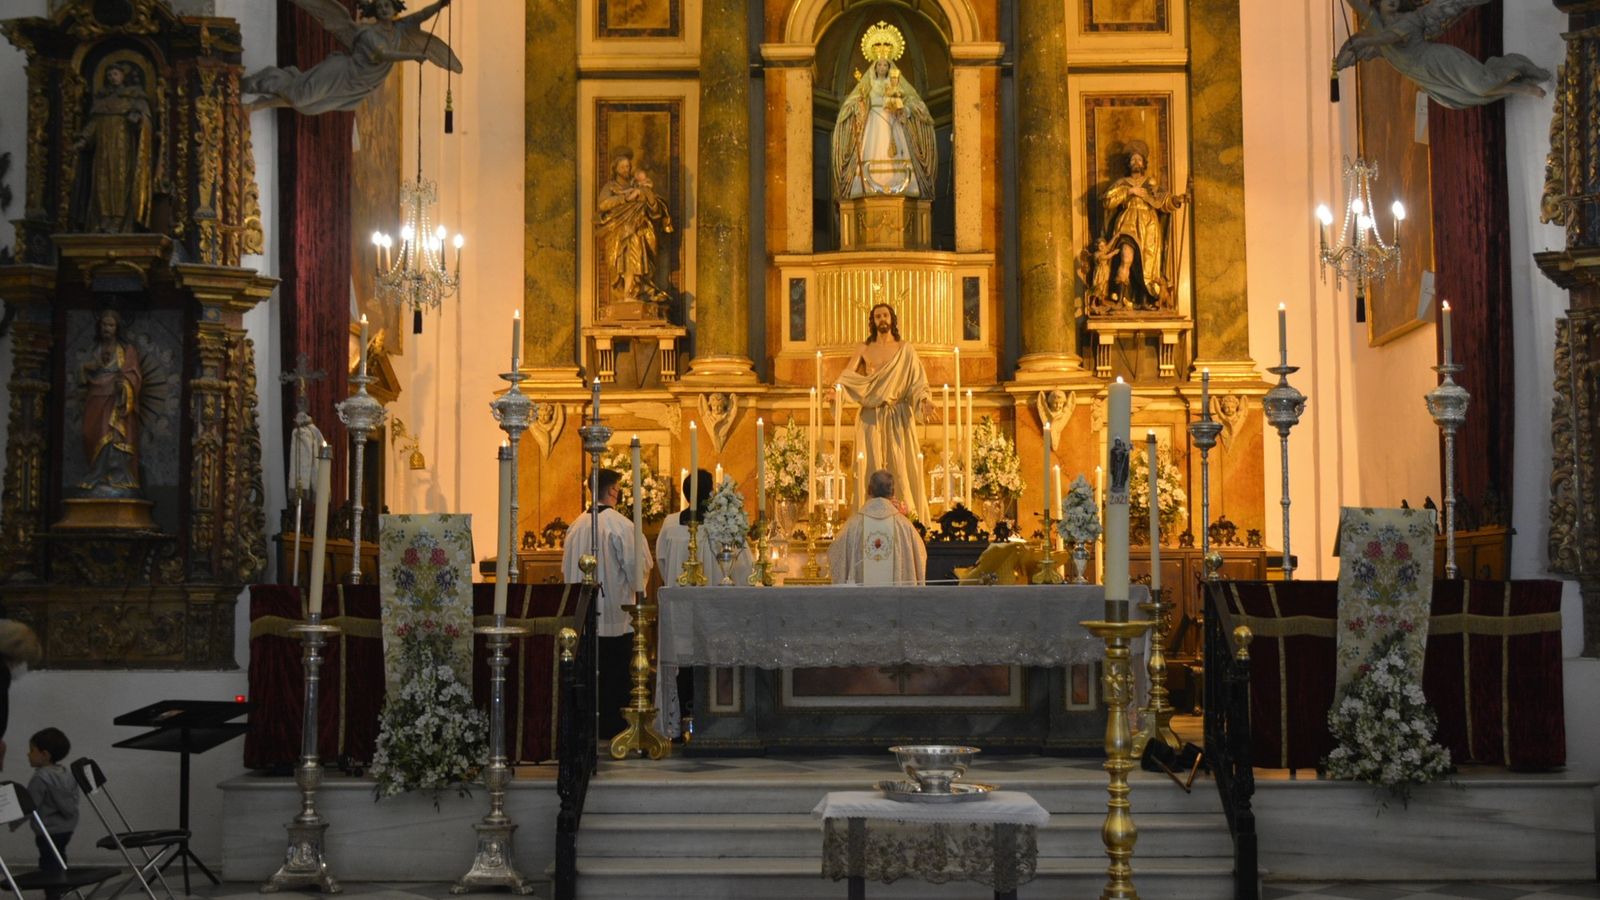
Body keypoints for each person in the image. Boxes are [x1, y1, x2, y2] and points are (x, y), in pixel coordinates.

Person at [652, 470, 751, 739]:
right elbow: (744, 567)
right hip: (716, 610)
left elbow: (661, 562)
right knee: (712, 662)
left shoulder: (670, 525)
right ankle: (717, 723)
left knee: (681, 661)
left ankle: (679, 723)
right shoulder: (724, 524)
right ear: (710, 494)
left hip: (679, 607)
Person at [241, 0, 462, 115]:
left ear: (395, 8)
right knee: (300, 97)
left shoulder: (400, 30)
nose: (384, 8)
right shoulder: (367, 32)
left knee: (308, 107)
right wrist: (413, 55)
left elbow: (420, 15)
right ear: (374, 10)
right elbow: (381, 54)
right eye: (380, 5)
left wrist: (439, 5)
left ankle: (260, 104)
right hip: (342, 72)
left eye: (388, 5)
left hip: (356, 87)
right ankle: (260, 81)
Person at [561, 468, 653, 737]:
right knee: (614, 680)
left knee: (588, 678)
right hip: (615, 617)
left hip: (582, 618)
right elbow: (640, 567)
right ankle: (614, 730)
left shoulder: (575, 525)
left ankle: (587, 731)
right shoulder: (620, 525)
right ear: (613, 490)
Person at [1334, 0, 1549, 109]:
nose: (1393, 1)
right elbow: (1357, 4)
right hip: (1426, 76)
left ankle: (1523, 82)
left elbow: (1389, 39)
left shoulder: (1408, 20)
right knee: (1472, 96)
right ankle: (1518, 80)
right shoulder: (1375, 24)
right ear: (1377, 3)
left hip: (1438, 61)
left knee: (1482, 85)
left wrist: (1363, 41)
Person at [838, 302, 933, 521]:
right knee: (868, 466)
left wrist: (924, 400)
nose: (882, 319)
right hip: (870, 416)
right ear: (873, 321)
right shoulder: (864, 348)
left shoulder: (905, 349)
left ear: (892, 319)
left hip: (898, 415)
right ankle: (868, 518)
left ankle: (907, 519)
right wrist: (837, 391)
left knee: (901, 467)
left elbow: (917, 383)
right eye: (878, 316)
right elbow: (847, 376)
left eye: (886, 315)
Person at [830, 21, 937, 200]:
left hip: (892, 123)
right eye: (879, 65)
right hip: (873, 122)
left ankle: (900, 186)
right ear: (874, 66)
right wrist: (860, 106)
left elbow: (912, 101)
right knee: (871, 152)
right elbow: (852, 104)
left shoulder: (896, 84)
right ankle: (866, 188)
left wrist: (904, 110)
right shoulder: (868, 85)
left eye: (885, 65)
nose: (882, 68)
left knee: (897, 157)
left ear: (889, 67)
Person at [1102, 140, 1186, 310]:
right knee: (1126, 258)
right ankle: (1119, 299)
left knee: (1147, 262)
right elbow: (1108, 201)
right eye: (1133, 160)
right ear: (1128, 163)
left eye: (1139, 160)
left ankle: (1143, 301)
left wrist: (1176, 200)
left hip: (1149, 224)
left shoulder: (1150, 183)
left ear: (1144, 163)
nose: (1136, 163)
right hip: (1128, 222)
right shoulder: (1123, 183)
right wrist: (1129, 192)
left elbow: (1163, 201)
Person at [74, 62, 154, 234]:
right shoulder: (102, 101)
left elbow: (145, 120)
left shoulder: (133, 97)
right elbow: (93, 124)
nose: (112, 77)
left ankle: (118, 220)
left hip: (122, 148)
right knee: (101, 181)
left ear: (122, 76)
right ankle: (103, 219)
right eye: (109, 74)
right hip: (103, 149)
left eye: (115, 73)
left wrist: (139, 120)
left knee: (120, 182)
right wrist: (84, 140)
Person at [596, 149, 674, 311]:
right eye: (623, 167)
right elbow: (602, 205)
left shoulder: (637, 184)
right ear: (615, 168)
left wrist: (645, 193)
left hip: (638, 229)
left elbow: (654, 209)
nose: (626, 169)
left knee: (637, 258)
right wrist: (624, 198)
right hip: (618, 230)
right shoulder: (610, 187)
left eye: (628, 166)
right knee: (620, 261)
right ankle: (628, 292)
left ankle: (634, 292)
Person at [78, 310, 143, 495]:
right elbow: (82, 375)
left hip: (114, 400)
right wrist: (86, 368)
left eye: (111, 325)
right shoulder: (95, 348)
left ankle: (117, 478)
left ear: (117, 328)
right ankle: (96, 475)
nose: (107, 328)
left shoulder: (126, 349)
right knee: (89, 434)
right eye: (104, 325)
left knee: (113, 438)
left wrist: (125, 386)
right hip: (95, 397)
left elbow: (133, 375)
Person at [829, 470, 927, 585]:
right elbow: (920, 555)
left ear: (869, 490)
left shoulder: (852, 525)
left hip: (860, 600)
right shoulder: (904, 526)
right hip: (897, 601)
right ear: (893, 492)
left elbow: (835, 554)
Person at [14, 728, 77, 898]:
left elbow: (29, 804)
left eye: (31, 750)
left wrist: (14, 822)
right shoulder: (67, 774)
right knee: (59, 858)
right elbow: (73, 801)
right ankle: (62, 889)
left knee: (49, 865)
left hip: (47, 830)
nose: (28, 754)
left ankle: (54, 895)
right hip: (66, 828)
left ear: (45, 754)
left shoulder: (40, 778)